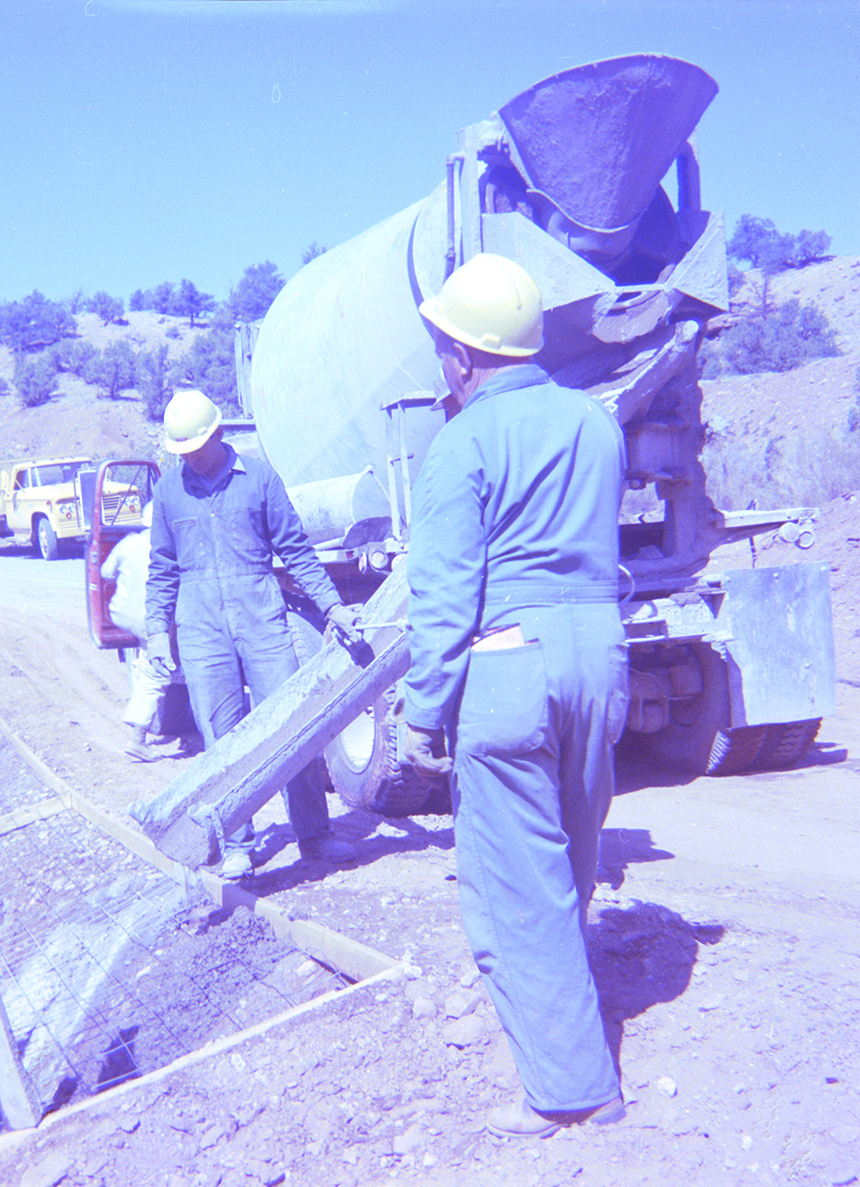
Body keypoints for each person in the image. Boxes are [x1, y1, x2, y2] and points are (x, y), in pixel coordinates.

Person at [402, 254, 629, 1137]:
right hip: (599, 657)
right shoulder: (595, 421)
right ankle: (565, 1013)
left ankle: (573, 1088)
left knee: (518, 881)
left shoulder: (461, 440)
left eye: (441, 348)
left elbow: (446, 594)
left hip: (509, 669)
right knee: (572, 853)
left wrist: (425, 712)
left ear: (463, 356)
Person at [145, 388, 362, 879]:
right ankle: (236, 843)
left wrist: (332, 606)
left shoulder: (260, 479)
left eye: (196, 449)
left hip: (261, 616)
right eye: (181, 453)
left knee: (291, 727)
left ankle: (315, 833)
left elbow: (296, 550)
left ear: (218, 434)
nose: (190, 460)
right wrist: (158, 631)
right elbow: (161, 568)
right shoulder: (168, 492)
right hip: (201, 626)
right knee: (222, 739)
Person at [100, 502, 174, 762]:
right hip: (152, 621)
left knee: (147, 662)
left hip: (120, 615)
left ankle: (140, 678)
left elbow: (105, 572)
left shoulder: (128, 542)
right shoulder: (171, 545)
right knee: (157, 674)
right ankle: (137, 740)